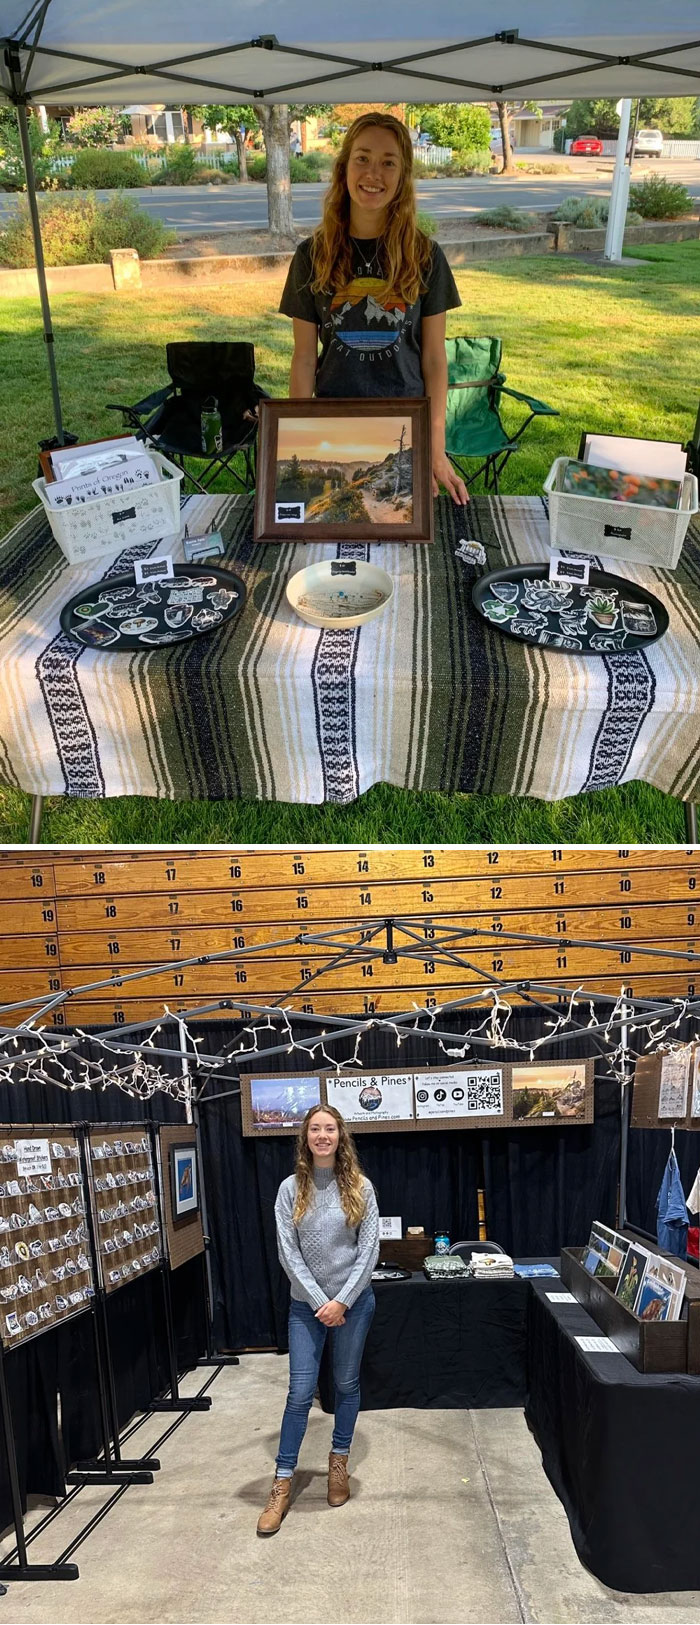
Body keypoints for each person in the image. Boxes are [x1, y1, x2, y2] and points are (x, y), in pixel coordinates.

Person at [279, 111, 468, 506]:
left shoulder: (425, 255)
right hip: (335, 423)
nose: (373, 174)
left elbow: (434, 360)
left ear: (402, 177)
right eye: (363, 158)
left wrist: (434, 447)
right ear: (344, 166)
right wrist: (297, 434)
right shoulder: (311, 256)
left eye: (388, 163)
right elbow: (302, 359)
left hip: (405, 426)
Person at [257, 1104, 380, 1536]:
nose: (322, 1136)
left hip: (354, 1306)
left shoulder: (360, 1187)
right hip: (304, 1308)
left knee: (345, 1385)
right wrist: (318, 1301)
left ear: (340, 1135)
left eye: (329, 1129)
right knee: (300, 1393)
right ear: (305, 1137)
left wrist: (342, 1301)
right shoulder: (290, 1189)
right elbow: (287, 1253)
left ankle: (338, 1464)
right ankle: (282, 1481)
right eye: (315, 1129)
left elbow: (369, 1251)